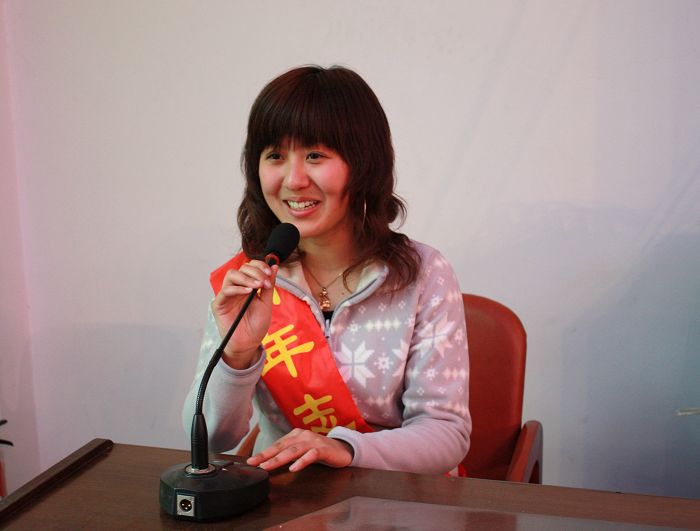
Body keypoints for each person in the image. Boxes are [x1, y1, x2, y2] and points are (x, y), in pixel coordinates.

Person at [183, 65, 470, 475]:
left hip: (397, 497)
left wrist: (345, 449)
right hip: (286, 496)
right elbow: (211, 440)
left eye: (315, 155)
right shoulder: (249, 281)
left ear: (363, 164)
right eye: (275, 156)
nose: (294, 179)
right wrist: (238, 355)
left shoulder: (424, 274)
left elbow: (446, 434)